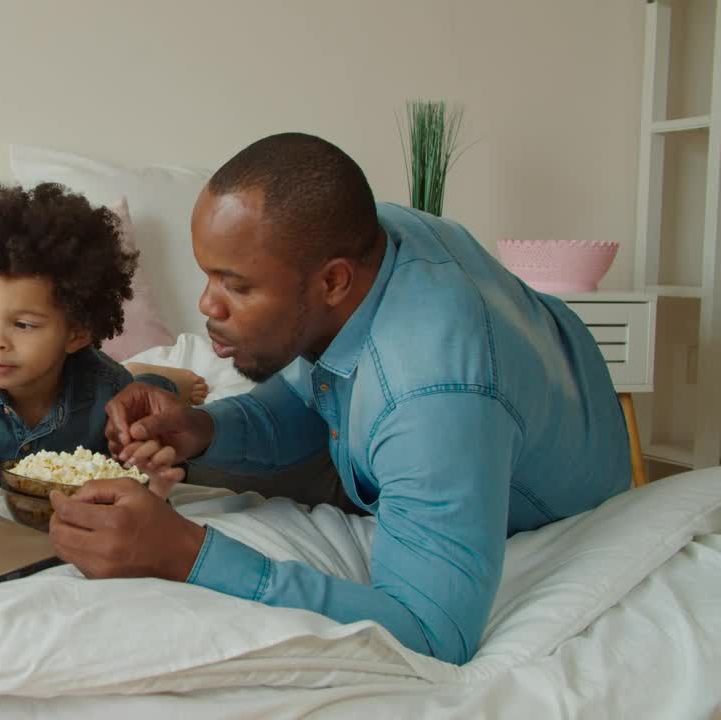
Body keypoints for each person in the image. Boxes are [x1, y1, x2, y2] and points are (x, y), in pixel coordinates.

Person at [47, 133, 630, 665]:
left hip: (553, 495)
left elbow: (432, 634)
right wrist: (203, 427)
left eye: (237, 285)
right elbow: (315, 394)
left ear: (333, 281)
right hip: (551, 388)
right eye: (208, 276)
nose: (207, 306)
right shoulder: (378, 236)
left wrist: (185, 553)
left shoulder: (432, 402)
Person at [0, 180, 206, 489]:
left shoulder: (108, 392)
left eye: (23, 324)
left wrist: (146, 469)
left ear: (77, 333)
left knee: (142, 393)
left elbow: (138, 481)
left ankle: (156, 380)